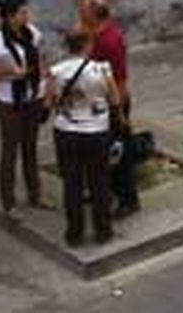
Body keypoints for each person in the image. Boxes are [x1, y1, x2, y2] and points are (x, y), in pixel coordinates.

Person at [47, 28, 120, 246]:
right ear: (87, 45)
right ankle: (103, 230)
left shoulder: (56, 71)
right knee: (99, 181)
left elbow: (48, 102)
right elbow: (115, 98)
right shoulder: (101, 69)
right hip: (96, 131)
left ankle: (74, 232)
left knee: (72, 182)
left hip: (66, 131)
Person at [0, 0, 47, 214]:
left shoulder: (32, 34)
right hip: (9, 101)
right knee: (10, 150)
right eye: (22, 13)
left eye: (27, 12)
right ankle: (9, 202)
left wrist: (43, 84)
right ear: (9, 17)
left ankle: (35, 195)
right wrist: (10, 71)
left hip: (32, 97)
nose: (27, 16)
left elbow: (41, 60)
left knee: (31, 147)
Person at [82, 0, 140, 217]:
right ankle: (104, 190)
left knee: (118, 154)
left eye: (84, 11)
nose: (80, 14)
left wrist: (120, 110)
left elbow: (120, 78)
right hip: (100, 103)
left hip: (113, 104)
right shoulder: (96, 36)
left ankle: (128, 199)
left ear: (94, 15)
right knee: (102, 152)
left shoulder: (110, 41)